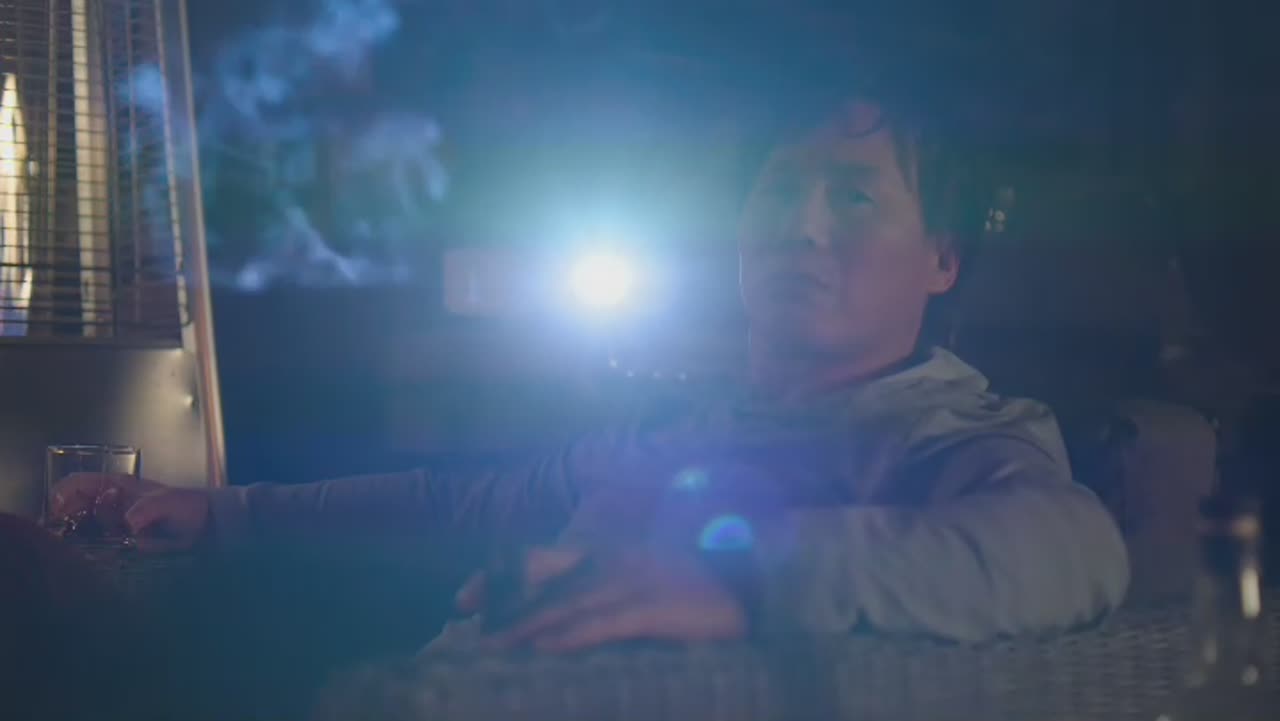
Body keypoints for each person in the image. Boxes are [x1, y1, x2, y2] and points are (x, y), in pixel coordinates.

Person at [52, 91, 1129, 649]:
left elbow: (1069, 547)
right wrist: (224, 511)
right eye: (777, 189)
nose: (798, 226)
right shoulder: (693, 425)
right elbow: (465, 503)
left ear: (942, 256)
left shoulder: (951, 434)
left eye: (851, 195)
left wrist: (742, 579)